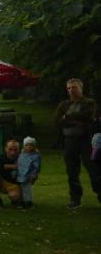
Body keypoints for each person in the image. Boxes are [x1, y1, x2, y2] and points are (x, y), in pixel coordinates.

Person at [54, 78, 99, 208]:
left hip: (85, 140)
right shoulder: (64, 104)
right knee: (72, 171)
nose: (71, 90)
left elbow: (87, 116)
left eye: (74, 87)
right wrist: (75, 120)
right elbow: (57, 121)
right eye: (68, 88)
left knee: (94, 169)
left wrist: (67, 117)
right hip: (69, 141)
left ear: (81, 88)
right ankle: (75, 198)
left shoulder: (89, 102)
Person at [0, 139, 22, 208]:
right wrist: (8, 166)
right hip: (2, 183)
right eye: (10, 149)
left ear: (19, 150)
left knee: (14, 197)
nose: (12, 152)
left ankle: (17, 199)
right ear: (6, 149)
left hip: (15, 185)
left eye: (15, 150)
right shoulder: (1, 157)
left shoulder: (22, 158)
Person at [17, 136, 41, 209]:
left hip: (28, 175)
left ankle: (28, 202)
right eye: (26, 145)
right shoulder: (21, 155)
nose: (28, 147)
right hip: (20, 174)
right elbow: (18, 163)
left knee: (27, 189)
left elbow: (36, 166)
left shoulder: (35, 156)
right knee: (20, 189)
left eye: (31, 145)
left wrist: (33, 174)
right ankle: (21, 202)